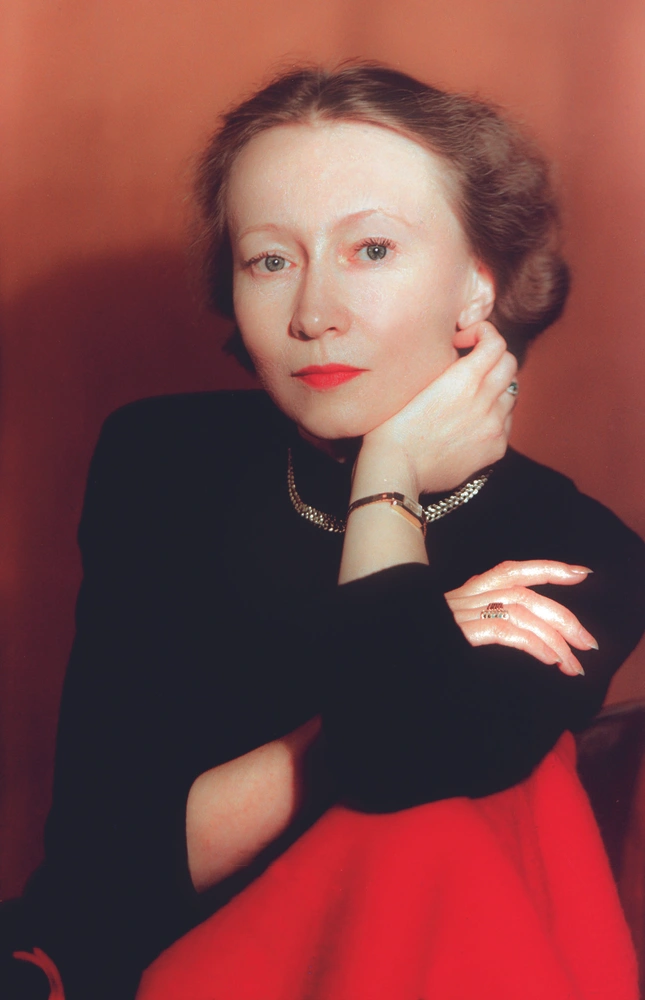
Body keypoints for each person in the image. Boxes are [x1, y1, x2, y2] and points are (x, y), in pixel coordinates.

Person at [2, 62, 644, 1000]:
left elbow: (394, 762)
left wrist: (386, 474)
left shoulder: (581, 550)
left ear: (477, 286)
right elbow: (101, 869)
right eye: (270, 260)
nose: (311, 314)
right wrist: (419, 636)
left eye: (370, 249)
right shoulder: (163, 458)